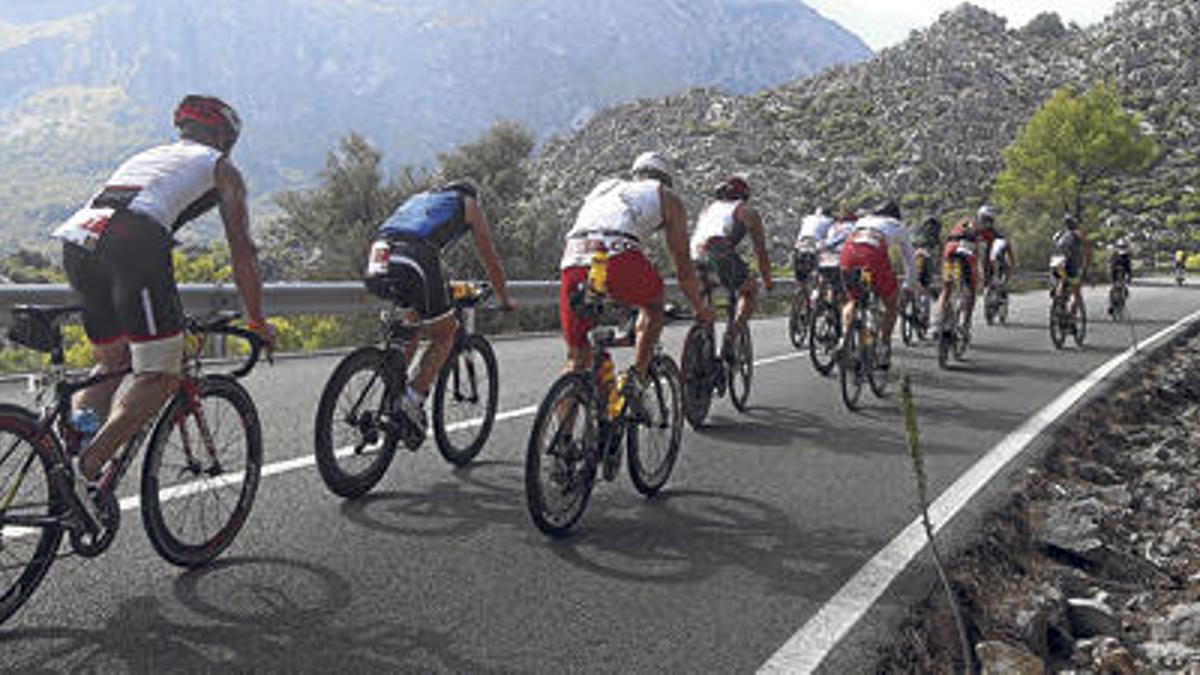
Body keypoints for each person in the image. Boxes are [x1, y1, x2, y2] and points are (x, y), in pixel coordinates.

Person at [50, 95, 274, 529]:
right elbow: (242, 251)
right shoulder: (222, 168)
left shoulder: (151, 155)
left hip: (79, 239)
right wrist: (257, 320)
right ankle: (84, 473)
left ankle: (69, 446)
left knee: (113, 360)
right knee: (160, 375)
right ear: (225, 138)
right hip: (133, 243)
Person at [364, 179, 516, 438]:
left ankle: (393, 396)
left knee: (412, 321)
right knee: (445, 333)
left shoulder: (421, 199)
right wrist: (503, 298)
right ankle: (410, 401)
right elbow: (488, 254)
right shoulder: (468, 202)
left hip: (379, 253)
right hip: (414, 255)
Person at [558, 151, 715, 390]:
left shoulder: (605, 188)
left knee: (577, 358)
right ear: (666, 179)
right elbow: (683, 265)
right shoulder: (666, 196)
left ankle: (567, 425)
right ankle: (637, 379)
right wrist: (699, 308)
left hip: (573, 257)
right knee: (653, 306)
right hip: (617, 255)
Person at [837, 200, 915, 369]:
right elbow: (909, 259)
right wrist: (909, 285)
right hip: (873, 257)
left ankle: (844, 339)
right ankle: (884, 348)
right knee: (891, 305)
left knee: (852, 300)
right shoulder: (897, 225)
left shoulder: (862, 220)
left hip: (848, 254)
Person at [690, 176, 774, 330]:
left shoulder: (708, 208)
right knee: (750, 290)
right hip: (718, 254)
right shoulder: (746, 211)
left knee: (705, 297)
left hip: (692, 255)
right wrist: (767, 281)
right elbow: (760, 251)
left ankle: (701, 338)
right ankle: (735, 332)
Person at [937, 217, 982, 340]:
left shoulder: (955, 228)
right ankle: (965, 324)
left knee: (946, 288)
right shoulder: (975, 227)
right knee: (972, 290)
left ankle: (939, 320)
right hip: (966, 252)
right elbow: (976, 253)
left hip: (949, 249)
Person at [1051, 213, 1090, 320]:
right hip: (1070, 264)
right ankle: (1072, 316)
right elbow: (1087, 251)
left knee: (1061, 281)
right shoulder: (1078, 234)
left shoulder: (1059, 234)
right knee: (1076, 291)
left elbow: (1054, 248)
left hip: (1055, 263)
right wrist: (1085, 267)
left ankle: (1058, 301)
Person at [793, 207, 834, 283]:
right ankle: (817, 287)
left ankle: (800, 287)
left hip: (800, 243)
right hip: (814, 244)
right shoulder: (828, 221)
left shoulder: (807, 218)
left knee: (799, 270)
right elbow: (830, 239)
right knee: (818, 267)